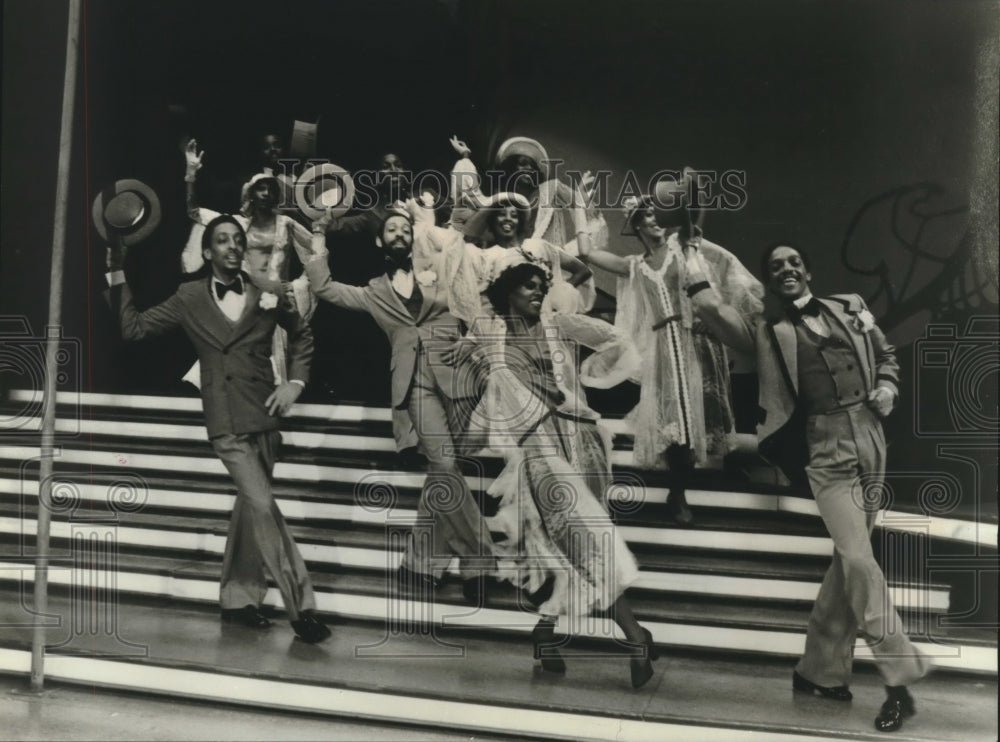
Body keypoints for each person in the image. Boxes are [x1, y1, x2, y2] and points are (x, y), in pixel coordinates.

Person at [686, 242, 931, 733]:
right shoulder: (766, 331)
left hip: (871, 437)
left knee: (847, 564)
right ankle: (899, 681)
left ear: (808, 269)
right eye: (776, 267)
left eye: (794, 261)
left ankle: (817, 673)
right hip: (825, 450)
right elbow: (711, 307)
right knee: (860, 560)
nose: (787, 269)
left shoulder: (851, 306)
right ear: (770, 281)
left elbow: (886, 355)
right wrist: (691, 253)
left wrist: (887, 387)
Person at [104, 214, 330, 644]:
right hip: (225, 422)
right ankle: (301, 608)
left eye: (237, 240)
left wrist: (295, 383)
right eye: (221, 240)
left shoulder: (267, 290)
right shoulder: (189, 296)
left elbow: (302, 335)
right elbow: (132, 329)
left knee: (250, 509)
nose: (231, 246)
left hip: (264, 413)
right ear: (207, 251)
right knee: (263, 506)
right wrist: (116, 271)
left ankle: (237, 598)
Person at [472, 258, 658, 689]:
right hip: (535, 454)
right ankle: (633, 638)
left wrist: (587, 382)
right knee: (571, 544)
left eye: (541, 286)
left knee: (580, 544)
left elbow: (616, 339)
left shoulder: (559, 324)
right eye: (528, 287)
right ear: (507, 294)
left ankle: (548, 635)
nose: (537, 292)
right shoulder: (488, 336)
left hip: (580, 444)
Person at [304, 207, 496, 602]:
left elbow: (477, 298)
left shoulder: (440, 270)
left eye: (404, 229)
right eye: (390, 229)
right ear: (380, 240)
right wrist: (318, 238)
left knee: (446, 474)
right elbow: (323, 287)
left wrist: (474, 340)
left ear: (413, 238)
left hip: (459, 378)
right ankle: (479, 560)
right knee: (443, 464)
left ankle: (420, 563)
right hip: (414, 385)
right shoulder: (374, 291)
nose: (398, 234)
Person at [577, 192, 762, 526]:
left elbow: (694, 215)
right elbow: (587, 252)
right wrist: (581, 206)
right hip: (664, 347)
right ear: (637, 226)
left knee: (697, 426)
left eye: (656, 213)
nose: (654, 219)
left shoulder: (682, 245)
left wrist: (689, 190)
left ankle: (685, 487)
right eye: (646, 215)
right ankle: (678, 489)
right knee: (677, 428)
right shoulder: (635, 265)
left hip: (697, 341)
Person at [181, 139, 316, 384]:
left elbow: (316, 251)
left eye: (271, 189)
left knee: (269, 376)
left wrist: (299, 285)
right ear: (251, 194)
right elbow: (194, 212)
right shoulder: (238, 225)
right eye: (261, 189)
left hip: (273, 304)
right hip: (244, 303)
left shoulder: (286, 224)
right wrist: (191, 175)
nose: (267, 193)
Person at [461, 191, 594, 316]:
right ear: (492, 221)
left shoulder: (537, 246)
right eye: (501, 214)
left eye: (514, 216)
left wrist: (558, 296)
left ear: (519, 222)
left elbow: (583, 271)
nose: (508, 219)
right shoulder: (486, 256)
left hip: (543, 319)